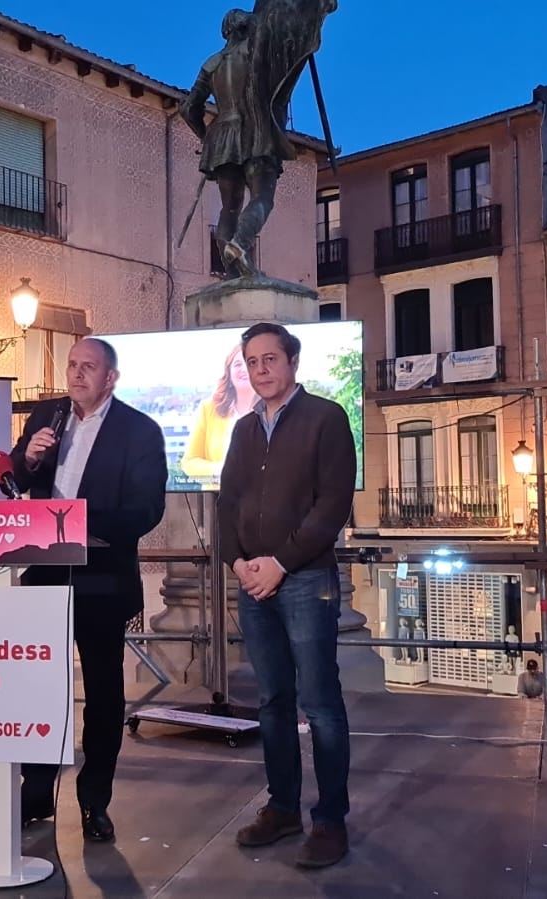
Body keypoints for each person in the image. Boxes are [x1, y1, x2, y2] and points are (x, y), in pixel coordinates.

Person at [10, 337, 166, 842]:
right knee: (37, 689)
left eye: (89, 367)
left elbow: (146, 509)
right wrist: (27, 462)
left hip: (102, 576)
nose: (77, 375)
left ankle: (94, 801)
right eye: (72, 365)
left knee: (102, 694)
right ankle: (35, 794)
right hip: (45, 571)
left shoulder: (140, 430)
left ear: (111, 377)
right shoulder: (47, 416)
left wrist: (75, 523)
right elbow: (13, 482)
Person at [217, 321, 356, 868]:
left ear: (292, 362)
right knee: (272, 702)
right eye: (252, 362)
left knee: (320, 705)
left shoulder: (326, 418)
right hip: (253, 583)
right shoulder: (244, 430)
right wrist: (238, 562)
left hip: (305, 581)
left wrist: (280, 563)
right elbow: (226, 504)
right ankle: (282, 809)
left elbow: (332, 507)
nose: (260, 370)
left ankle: (330, 821)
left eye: (270, 359)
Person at [180, 2, 337, 279]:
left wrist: (207, 139)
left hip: (222, 136)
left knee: (230, 207)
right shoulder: (258, 55)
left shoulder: (211, 64)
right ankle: (240, 244)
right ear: (247, 28)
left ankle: (234, 272)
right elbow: (290, 45)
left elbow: (189, 108)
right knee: (263, 196)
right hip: (256, 131)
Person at [180, 343, 256, 481]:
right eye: (238, 364)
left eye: (250, 362)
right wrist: (220, 470)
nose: (244, 369)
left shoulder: (277, 409)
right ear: (229, 372)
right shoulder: (209, 409)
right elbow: (189, 462)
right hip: (218, 497)